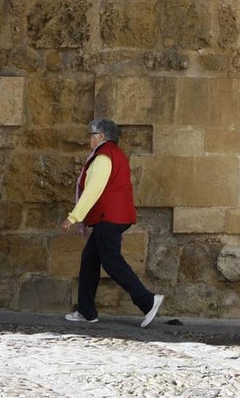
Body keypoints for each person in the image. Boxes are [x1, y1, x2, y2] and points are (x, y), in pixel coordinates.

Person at [61, 118, 164, 327]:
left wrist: (73, 217)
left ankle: (147, 300)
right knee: (90, 259)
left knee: (111, 261)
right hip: (112, 216)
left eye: (91, 135)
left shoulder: (103, 157)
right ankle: (86, 311)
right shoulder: (114, 154)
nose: (89, 140)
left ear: (100, 136)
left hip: (108, 217)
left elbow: (93, 190)